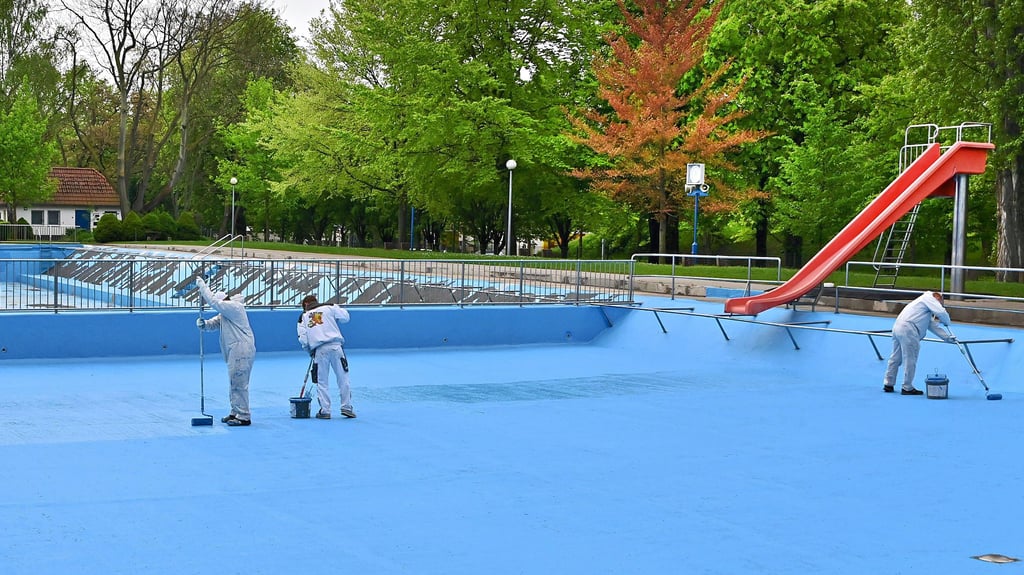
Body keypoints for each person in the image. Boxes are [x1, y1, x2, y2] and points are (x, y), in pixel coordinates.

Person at [196, 277, 256, 426]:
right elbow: (213, 324)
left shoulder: (235, 307)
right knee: (234, 381)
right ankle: (235, 411)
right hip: (234, 351)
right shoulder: (226, 314)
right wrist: (204, 324)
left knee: (239, 383)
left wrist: (203, 287)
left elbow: (214, 302)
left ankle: (244, 416)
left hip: (241, 350)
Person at [883, 290, 956, 395]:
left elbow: (932, 326)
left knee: (895, 357)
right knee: (910, 359)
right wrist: (947, 322)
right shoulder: (929, 298)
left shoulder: (922, 307)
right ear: (938, 298)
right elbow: (941, 312)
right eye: (940, 303)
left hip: (898, 327)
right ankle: (907, 387)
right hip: (908, 330)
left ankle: (888, 383)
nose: (940, 305)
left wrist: (948, 338)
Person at [297, 295, 356, 419]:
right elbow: (346, 317)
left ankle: (325, 410)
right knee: (343, 378)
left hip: (320, 350)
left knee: (322, 381)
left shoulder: (303, 317)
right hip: (336, 347)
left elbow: (303, 339)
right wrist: (335, 307)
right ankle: (346, 407)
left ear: (305, 305)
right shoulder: (329, 308)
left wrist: (310, 351)